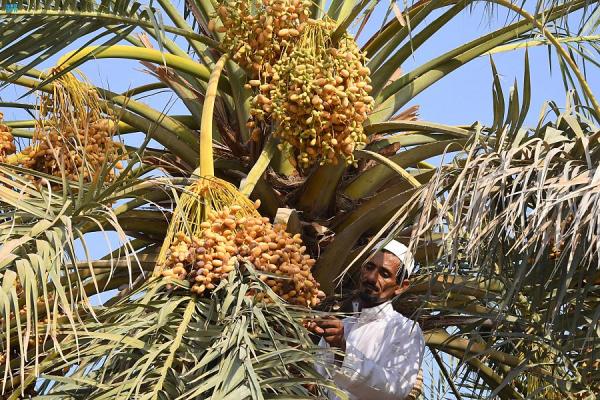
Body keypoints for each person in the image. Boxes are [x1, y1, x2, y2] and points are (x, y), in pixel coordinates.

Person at [307, 240, 425, 400]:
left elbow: (396, 389)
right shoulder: (343, 326)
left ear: (401, 287)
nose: (371, 277)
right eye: (369, 267)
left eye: (384, 274)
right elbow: (316, 384)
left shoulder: (406, 330)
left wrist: (343, 352)